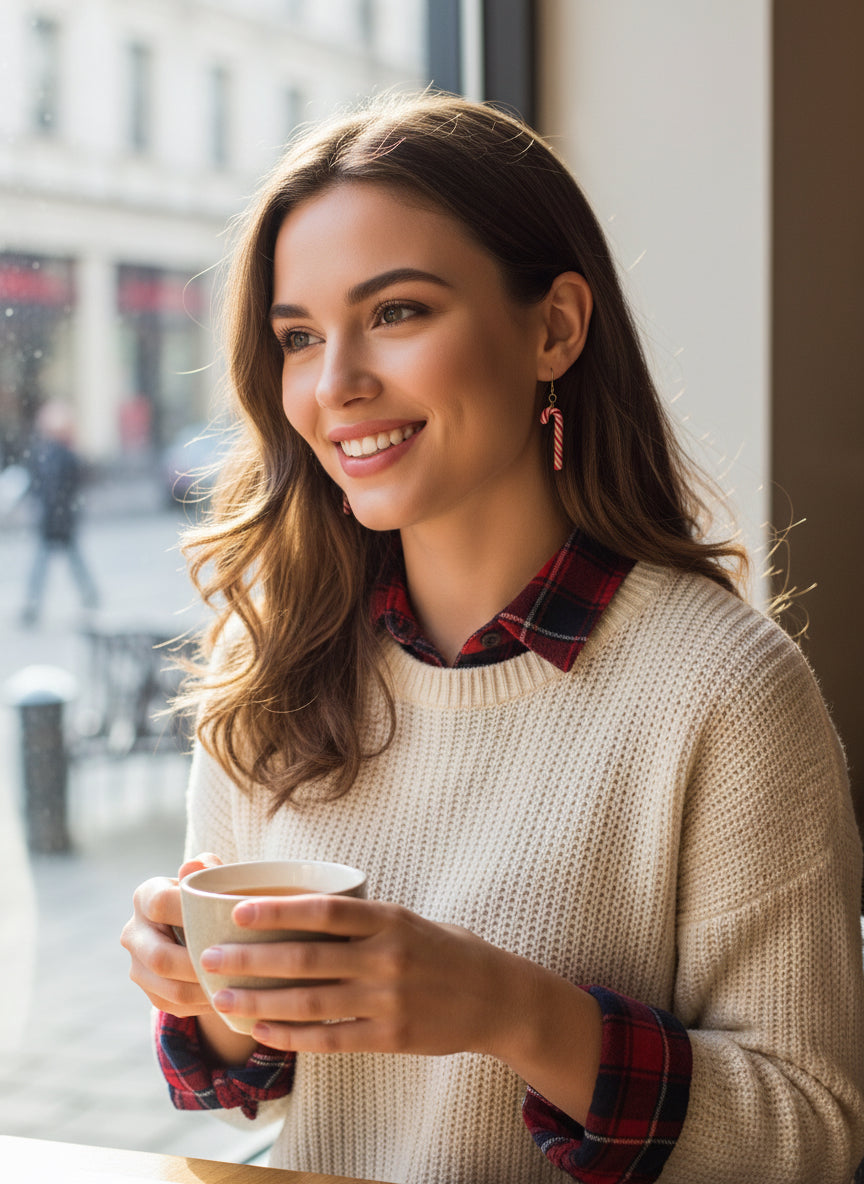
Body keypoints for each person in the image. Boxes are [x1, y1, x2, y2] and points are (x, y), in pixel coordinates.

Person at [121, 93, 864, 1183]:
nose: (335, 386)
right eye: (297, 337)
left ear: (555, 326)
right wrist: (210, 994)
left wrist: (508, 1008)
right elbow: (251, 1097)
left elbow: (816, 1134)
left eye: (398, 313)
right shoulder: (274, 662)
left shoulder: (725, 689)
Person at [19, 400, 99, 625]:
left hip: (55, 519)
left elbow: (50, 488)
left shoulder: (53, 454)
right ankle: (89, 596)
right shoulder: (60, 454)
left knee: (54, 564)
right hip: (60, 519)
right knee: (66, 562)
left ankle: (34, 606)